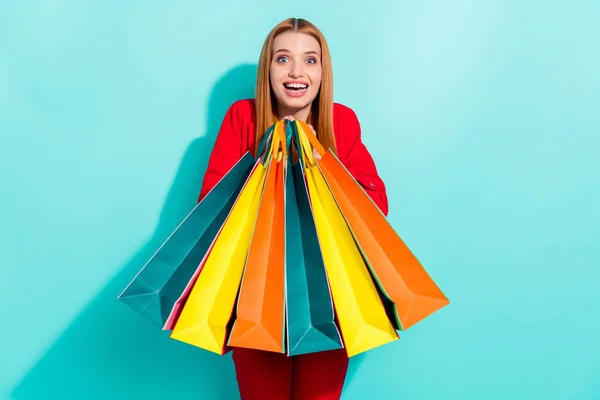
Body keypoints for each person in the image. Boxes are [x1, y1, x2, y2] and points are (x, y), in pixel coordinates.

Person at [197, 17, 389, 400]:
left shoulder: (342, 121)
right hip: (254, 296)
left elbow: (376, 207)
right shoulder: (242, 117)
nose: (297, 72)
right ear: (268, 69)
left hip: (329, 299)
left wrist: (321, 160)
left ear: (322, 72)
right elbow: (208, 207)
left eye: (310, 60)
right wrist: (267, 161)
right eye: (283, 59)